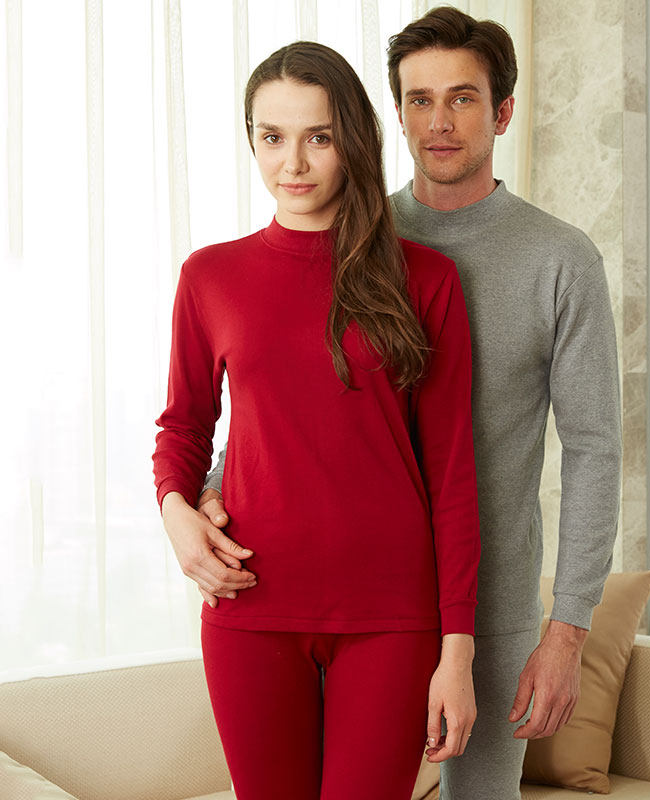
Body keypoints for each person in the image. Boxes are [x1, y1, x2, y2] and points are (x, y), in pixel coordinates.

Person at [195, 7, 622, 800]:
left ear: (503, 111)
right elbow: (279, 395)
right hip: (358, 594)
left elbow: (595, 450)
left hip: (488, 604)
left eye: (462, 98)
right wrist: (213, 491)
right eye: (420, 100)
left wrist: (568, 631)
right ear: (394, 114)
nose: (439, 122)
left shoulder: (560, 260)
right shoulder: (350, 233)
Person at [152, 40, 481, 800]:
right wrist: (176, 514)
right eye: (272, 137)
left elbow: (452, 474)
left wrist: (457, 652)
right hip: (251, 602)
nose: (293, 163)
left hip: (392, 616)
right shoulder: (210, 276)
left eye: (318, 137)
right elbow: (184, 426)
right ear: (251, 139)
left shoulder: (425, 279)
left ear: (352, 141)